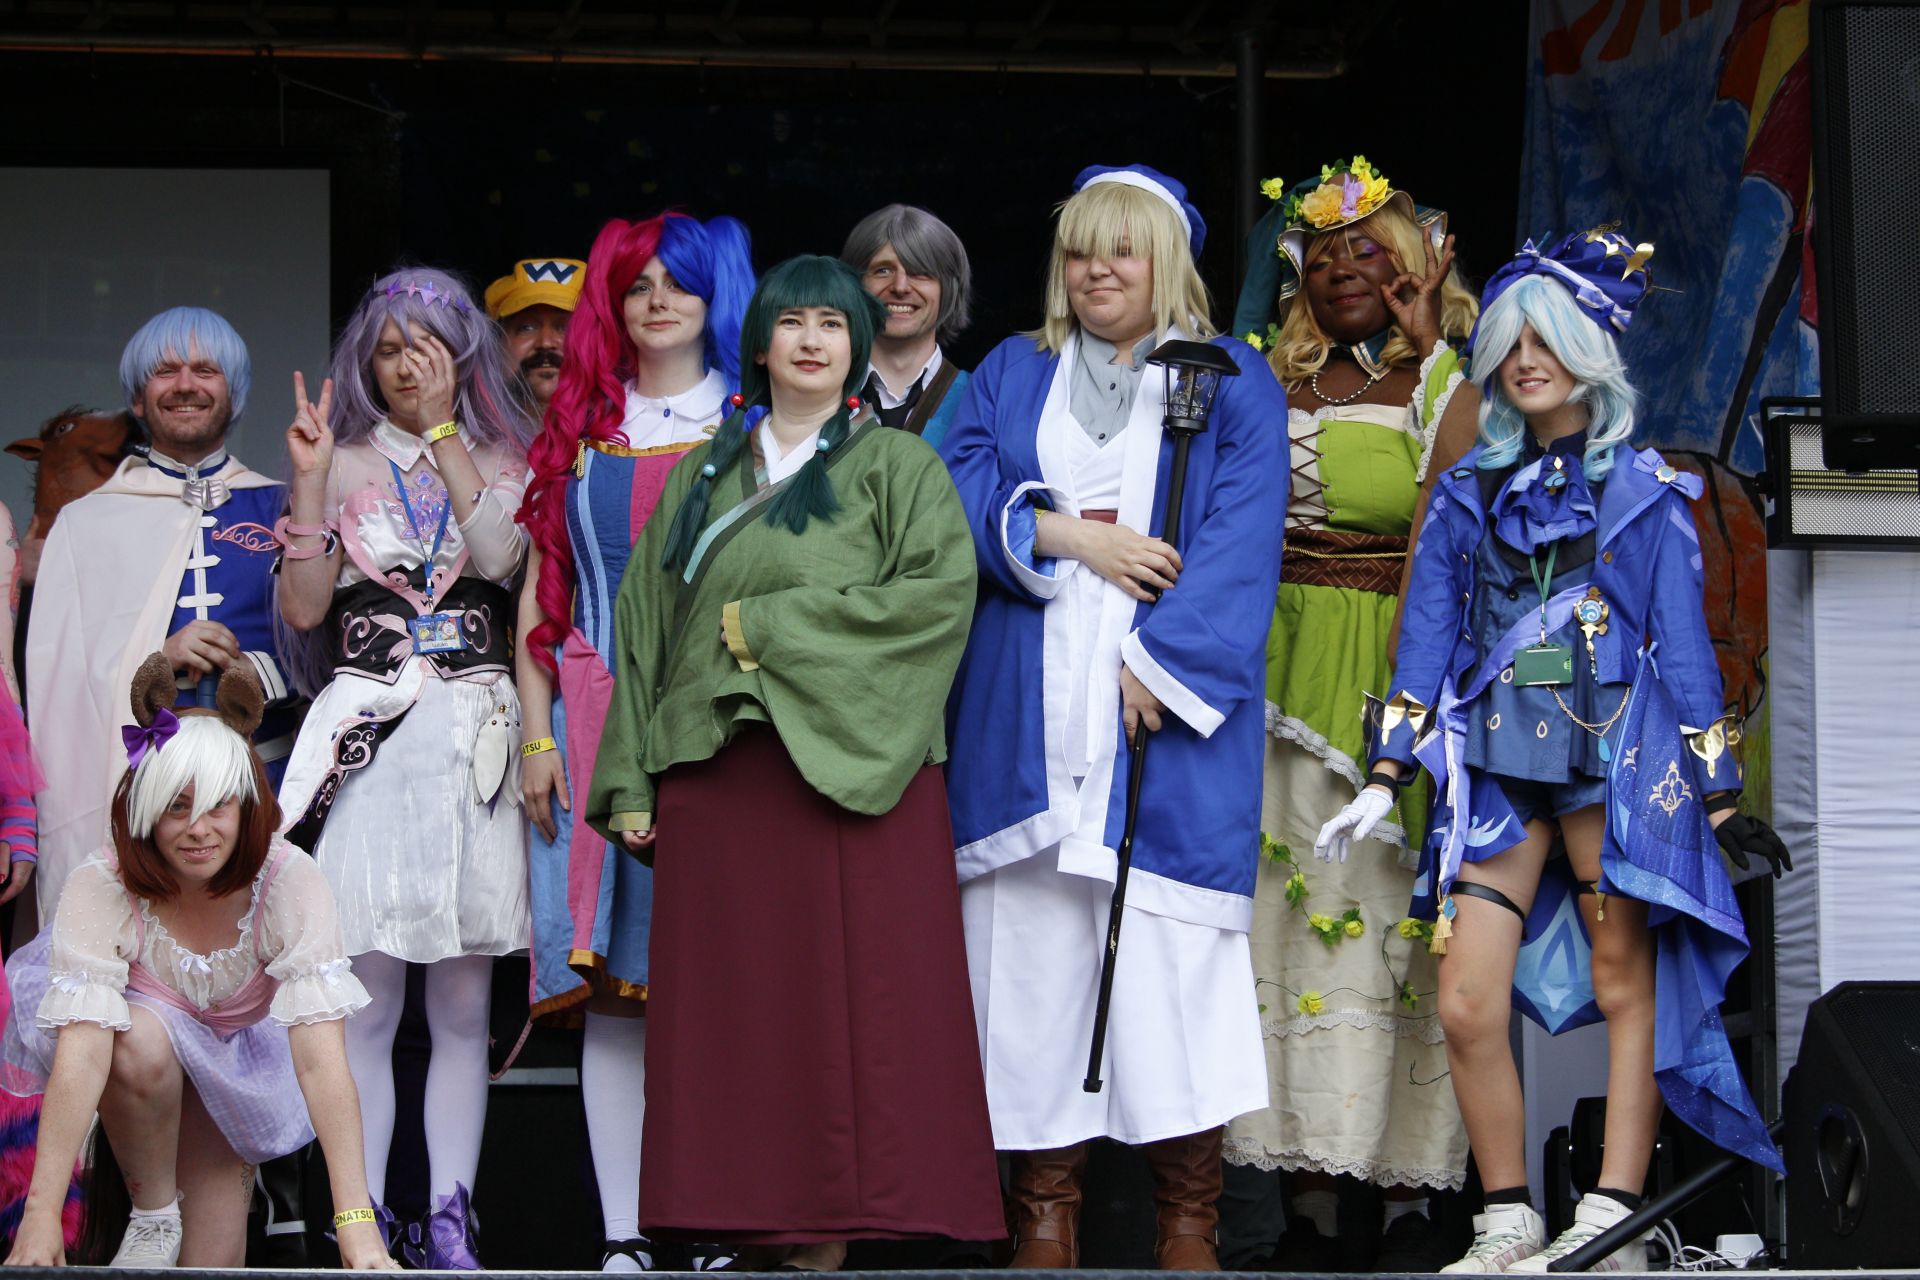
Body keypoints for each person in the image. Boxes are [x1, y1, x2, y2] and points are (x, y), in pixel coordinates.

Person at [1321, 228, 1791, 1274]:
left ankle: (1612, 1218)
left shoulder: (1646, 493)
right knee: (1464, 998)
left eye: (1548, 338)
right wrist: (1385, 774)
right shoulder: (1465, 495)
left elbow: (1685, 658)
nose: (1526, 358)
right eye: (1511, 341)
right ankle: (1507, 1220)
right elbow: (1425, 648)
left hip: (1610, 764)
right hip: (1497, 768)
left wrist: (1719, 801)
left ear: (1590, 350)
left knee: (1628, 986)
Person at [584, 255, 1001, 1270]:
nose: (812, 340)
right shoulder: (702, 473)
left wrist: (767, 626)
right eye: (792, 322)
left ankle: (827, 1237)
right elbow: (643, 631)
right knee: (741, 1016)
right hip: (719, 779)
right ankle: (749, 1225)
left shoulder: (899, 466)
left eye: (834, 323)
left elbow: (934, 603)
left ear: (858, 346)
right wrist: (631, 777)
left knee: (850, 1016)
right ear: (760, 343)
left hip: (852, 773)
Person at [940, 164, 1289, 1270]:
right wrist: (1066, 534)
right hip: (1027, 709)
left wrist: (1163, 666)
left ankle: (1189, 1224)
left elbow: (1242, 539)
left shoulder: (1230, 378)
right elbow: (948, 486)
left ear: (1166, 259)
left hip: (1161, 722)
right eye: (1082, 249)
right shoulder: (1012, 369)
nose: (1099, 269)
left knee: (1170, 971)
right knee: (1031, 971)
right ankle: (1044, 1218)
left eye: (1123, 248)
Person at [1219, 157, 1481, 1269]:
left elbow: (1468, 498)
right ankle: (1312, 1204)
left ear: (1415, 265)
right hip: (1270, 675)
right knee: (1286, 924)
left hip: (1392, 669)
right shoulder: (1261, 381)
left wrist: (1433, 344)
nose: (1343, 271)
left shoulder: (1445, 381)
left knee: (1387, 929)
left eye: (1368, 252)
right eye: (1323, 257)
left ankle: (1408, 1199)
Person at [275, 267, 533, 1269]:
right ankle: (365, 1222)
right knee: (370, 1001)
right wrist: (307, 483)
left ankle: (454, 1221)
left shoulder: (506, 457)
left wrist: (442, 432)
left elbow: (501, 562)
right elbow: (305, 610)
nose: (406, 364)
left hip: (474, 740)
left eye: (426, 347)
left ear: (463, 356)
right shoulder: (339, 459)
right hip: (369, 742)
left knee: (463, 1007)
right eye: (389, 349)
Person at [516, 211, 753, 1272]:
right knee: (617, 995)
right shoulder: (582, 426)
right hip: (593, 723)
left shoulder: (752, 421)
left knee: (715, 989)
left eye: (679, 282)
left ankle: (715, 1222)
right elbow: (543, 593)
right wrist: (536, 738)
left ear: (715, 295)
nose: (658, 301)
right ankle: (626, 1234)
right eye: (639, 284)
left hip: (719, 726)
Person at [0, 656, 388, 1269]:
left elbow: (321, 1061)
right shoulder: (104, 882)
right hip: (135, 1066)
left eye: (217, 807)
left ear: (246, 807)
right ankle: (152, 1212)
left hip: (230, 1061)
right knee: (137, 1033)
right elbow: (84, 1050)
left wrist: (356, 1224)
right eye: (176, 807)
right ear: (147, 810)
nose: (198, 829)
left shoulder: (289, 882)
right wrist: (41, 1214)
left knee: (212, 1265)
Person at [29, 307, 299, 922]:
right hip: (142, 791)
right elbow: (58, 691)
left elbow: (329, 648)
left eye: (205, 370)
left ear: (233, 392)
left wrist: (262, 672)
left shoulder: (284, 505)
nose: (185, 384)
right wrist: (160, 655)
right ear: (138, 397)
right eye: (165, 371)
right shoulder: (84, 522)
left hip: (270, 780)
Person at [839, 205, 973, 446]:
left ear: (948, 289)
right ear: (855, 284)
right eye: (883, 270)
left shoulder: (981, 401)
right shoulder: (817, 396)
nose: (900, 287)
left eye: (920, 272)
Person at [486, 258, 587, 414]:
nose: (545, 342)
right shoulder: (455, 427)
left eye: (565, 328)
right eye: (527, 328)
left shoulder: (627, 424)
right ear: (497, 344)